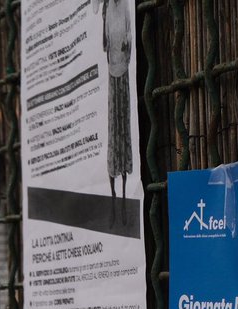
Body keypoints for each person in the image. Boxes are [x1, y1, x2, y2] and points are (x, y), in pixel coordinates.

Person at [103, 0, 134, 225]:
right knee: (114, 132)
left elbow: (130, 35)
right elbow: (104, 44)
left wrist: (126, 42)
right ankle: (114, 201)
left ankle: (124, 203)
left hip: (123, 73)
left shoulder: (124, 7)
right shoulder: (108, 8)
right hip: (112, 73)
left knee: (123, 133)